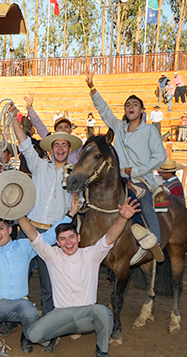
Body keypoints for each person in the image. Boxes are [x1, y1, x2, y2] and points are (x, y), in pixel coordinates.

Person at [20, 197, 139, 357]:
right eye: (63, 239)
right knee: (32, 335)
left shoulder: (91, 254)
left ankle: (102, 350)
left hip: (86, 314)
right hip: (61, 314)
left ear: (79, 238)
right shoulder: (52, 255)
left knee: (104, 312)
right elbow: (33, 235)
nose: (68, 242)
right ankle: (51, 337)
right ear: (58, 242)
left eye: (71, 237)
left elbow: (110, 237)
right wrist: (18, 215)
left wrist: (123, 218)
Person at [0, 186, 73, 352]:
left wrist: (70, 215)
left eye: (1, 228)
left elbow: (48, 236)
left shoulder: (24, 246)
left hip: (20, 304)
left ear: (10, 230)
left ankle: (27, 336)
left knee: (31, 313)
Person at [87, 71, 166, 260]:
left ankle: (154, 240)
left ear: (141, 110)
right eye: (128, 104)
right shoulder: (119, 127)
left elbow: (160, 156)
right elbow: (104, 110)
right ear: (125, 111)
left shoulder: (148, 130)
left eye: (135, 104)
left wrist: (137, 170)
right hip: (117, 176)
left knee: (143, 200)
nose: (131, 106)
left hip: (140, 178)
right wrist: (92, 88)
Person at [10, 104, 75, 316]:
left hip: (53, 234)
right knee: (16, 278)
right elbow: (24, 143)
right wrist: (13, 119)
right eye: (56, 144)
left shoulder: (75, 176)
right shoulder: (39, 165)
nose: (60, 148)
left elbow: (78, 201)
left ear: (69, 149)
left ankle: (48, 325)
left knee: (49, 285)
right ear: (51, 148)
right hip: (29, 229)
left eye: (64, 144)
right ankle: (12, 319)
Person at [25, 93, 82, 164]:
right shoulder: (51, 140)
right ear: (55, 130)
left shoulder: (78, 144)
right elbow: (39, 125)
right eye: (60, 127)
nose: (63, 129)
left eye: (66, 127)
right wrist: (30, 108)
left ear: (71, 129)